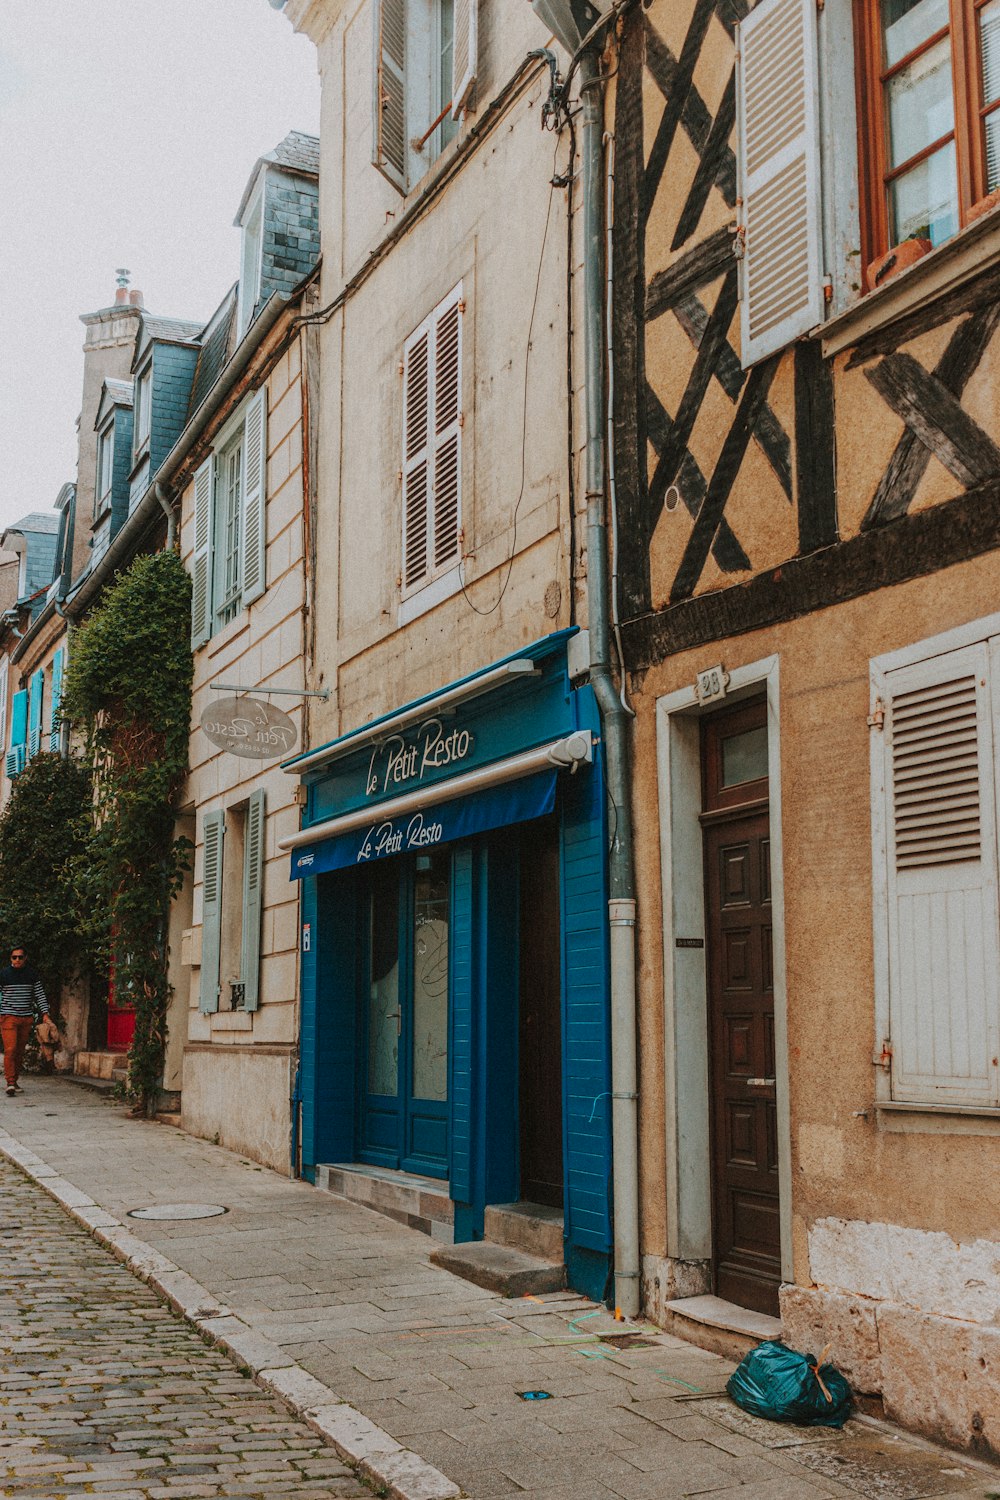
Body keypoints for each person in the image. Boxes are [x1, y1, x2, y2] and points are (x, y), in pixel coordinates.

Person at [0, 946, 49, 1097]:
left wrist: (45, 1014)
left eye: (20, 957)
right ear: (10, 959)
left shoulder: (32, 975)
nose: (17, 960)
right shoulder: (4, 974)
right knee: (10, 1049)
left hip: (26, 1017)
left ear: (25, 958)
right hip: (8, 1017)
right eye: (14, 957)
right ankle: (9, 1083)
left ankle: (14, 1080)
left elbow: (39, 995)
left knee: (20, 1051)